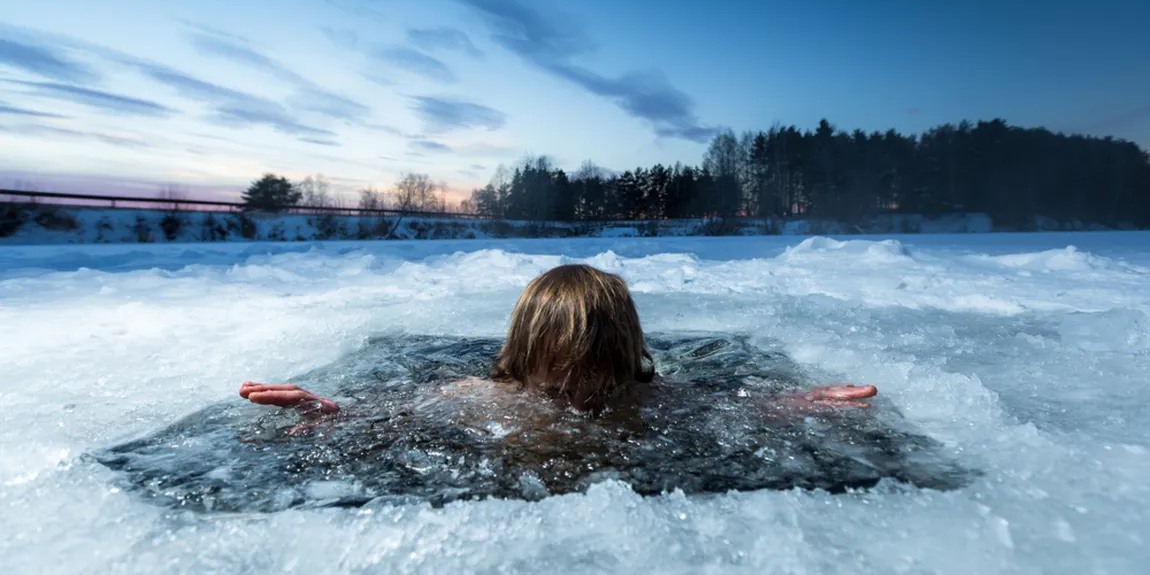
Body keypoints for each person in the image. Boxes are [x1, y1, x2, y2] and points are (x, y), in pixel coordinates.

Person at [240, 264, 877, 416]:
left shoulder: (653, 394)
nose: (580, 399)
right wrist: (330, 412)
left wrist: (797, 404)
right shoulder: (483, 395)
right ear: (521, 363)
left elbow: (729, 406)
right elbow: (394, 413)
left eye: (598, 380)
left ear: (626, 361)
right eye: (556, 386)